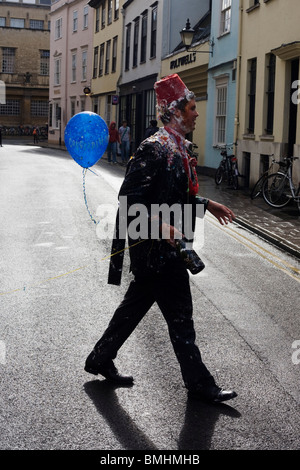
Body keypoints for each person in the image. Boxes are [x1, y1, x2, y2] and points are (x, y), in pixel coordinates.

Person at [85, 73, 237, 404]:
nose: (197, 113)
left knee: (135, 306)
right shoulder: (153, 149)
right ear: (175, 112)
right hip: (157, 252)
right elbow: (129, 202)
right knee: (182, 320)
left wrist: (208, 204)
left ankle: (100, 357)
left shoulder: (177, 149)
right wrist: (162, 227)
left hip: (164, 250)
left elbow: (173, 198)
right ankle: (199, 383)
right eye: (193, 108)